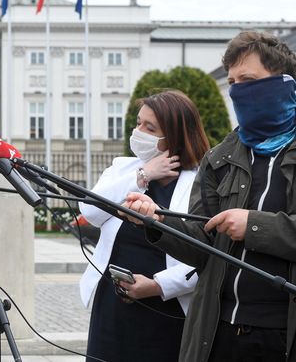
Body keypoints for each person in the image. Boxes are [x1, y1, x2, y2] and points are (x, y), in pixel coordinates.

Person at [125, 31, 296, 361]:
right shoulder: (220, 158)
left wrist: (254, 226)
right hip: (217, 331)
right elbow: (201, 247)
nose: (238, 90)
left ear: (284, 82)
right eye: (232, 81)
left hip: (281, 335)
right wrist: (158, 221)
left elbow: (258, 227)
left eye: (249, 79)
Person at [79, 90, 210, 362]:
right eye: (138, 123)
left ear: (174, 136)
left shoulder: (201, 182)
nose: (138, 131)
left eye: (149, 127)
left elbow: (205, 253)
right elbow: (90, 210)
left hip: (168, 308)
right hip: (113, 304)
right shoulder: (124, 169)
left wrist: (158, 285)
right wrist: (143, 175)